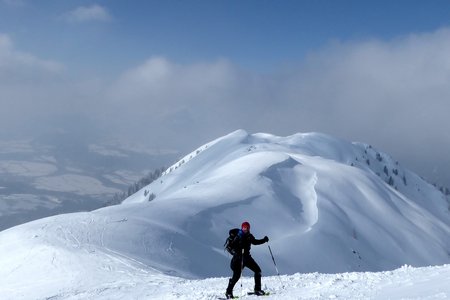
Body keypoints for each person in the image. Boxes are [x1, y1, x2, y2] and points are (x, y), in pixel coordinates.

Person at [225, 221, 269, 299]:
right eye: (244, 228)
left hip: (247, 258)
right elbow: (232, 247)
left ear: (249, 229)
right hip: (238, 259)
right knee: (236, 276)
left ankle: (257, 290)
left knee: (258, 271)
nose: (245, 229)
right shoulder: (238, 236)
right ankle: (228, 292)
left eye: (247, 228)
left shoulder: (249, 236)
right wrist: (238, 247)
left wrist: (264, 240)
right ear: (242, 228)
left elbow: (255, 242)